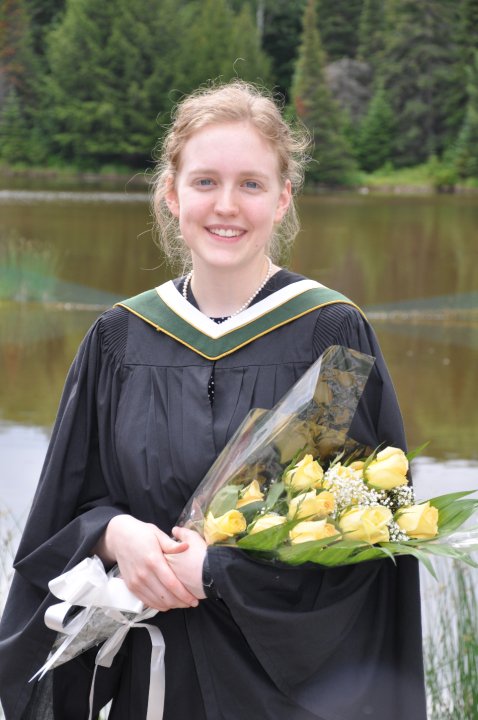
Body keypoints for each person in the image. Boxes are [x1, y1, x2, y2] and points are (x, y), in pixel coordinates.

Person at [0, 81, 427, 720]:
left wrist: (218, 574)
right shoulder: (120, 339)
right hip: (153, 687)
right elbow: (60, 519)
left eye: (251, 184)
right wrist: (115, 536)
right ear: (171, 195)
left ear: (283, 198)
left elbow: (369, 544)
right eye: (205, 182)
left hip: (283, 697)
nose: (226, 205)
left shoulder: (332, 336)